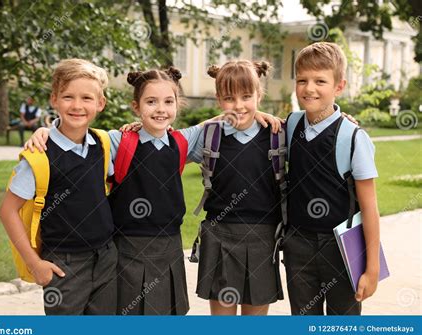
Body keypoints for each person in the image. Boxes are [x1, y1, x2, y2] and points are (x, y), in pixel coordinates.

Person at [25, 66, 281, 315]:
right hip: (126, 250)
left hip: (169, 249)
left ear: (177, 105)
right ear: (136, 107)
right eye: (151, 102)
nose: (160, 109)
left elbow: (226, 117)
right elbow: (78, 132)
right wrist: (47, 130)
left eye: (168, 102)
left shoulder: (182, 140)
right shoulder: (116, 141)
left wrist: (259, 113)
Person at [0, 58, 118, 315]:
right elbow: (7, 211)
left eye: (87, 98)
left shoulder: (104, 142)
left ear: (100, 103)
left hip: (107, 257)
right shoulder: (39, 155)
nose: (77, 105)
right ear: (54, 100)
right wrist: (35, 264)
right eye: (68, 97)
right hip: (64, 265)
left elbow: (151, 129)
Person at [284, 42, 380, 315]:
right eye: (302, 80)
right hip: (298, 245)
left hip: (342, 249)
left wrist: (371, 269)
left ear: (339, 86)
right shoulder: (291, 125)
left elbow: (370, 208)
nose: (309, 88)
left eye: (320, 81)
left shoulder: (353, 138)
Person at [189, 60, 284, 315]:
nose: (239, 105)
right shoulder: (209, 136)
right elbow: (165, 141)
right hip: (220, 235)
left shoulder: (277, 134)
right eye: (229, 98)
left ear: (259, 96)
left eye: (247, 96)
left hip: (263, 238)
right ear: (219, 100)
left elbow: (317, 128)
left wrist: (342, 115)